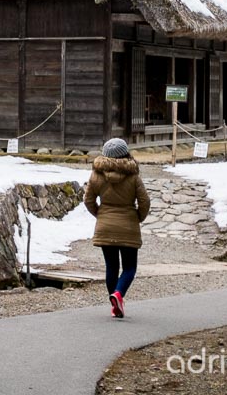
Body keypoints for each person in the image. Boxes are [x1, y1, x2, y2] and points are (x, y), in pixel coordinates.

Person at [83, 137, 150, 319]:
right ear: (126, 152)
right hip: (128, 225)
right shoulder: (133, 176)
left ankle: (114, 304)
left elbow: (88, 200)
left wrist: (100, 214)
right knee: (129, 267)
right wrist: (138, 217)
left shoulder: (96, 175)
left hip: (105, 226)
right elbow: (144, 201)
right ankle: (118, 295)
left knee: (111, 266)